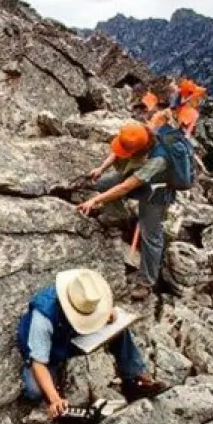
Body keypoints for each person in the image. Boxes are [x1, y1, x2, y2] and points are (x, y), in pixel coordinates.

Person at [16, 269, 169, 417]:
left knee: (118, 330)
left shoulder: (86, 293)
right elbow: (39, 364)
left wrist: (106, 316)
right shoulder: (43, 319)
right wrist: (55, 399)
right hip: (50, 348)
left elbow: (110, 313)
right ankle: (56, 383)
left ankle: (135, 377)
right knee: (34, 391)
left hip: (71, 335)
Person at [80, 121, 176, 300]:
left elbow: (125, 187)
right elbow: (117, 152)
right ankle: (122, 218)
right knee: (103, 184)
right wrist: (101, 168)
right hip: (136, 175)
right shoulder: (137, 133)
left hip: (156, 191)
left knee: (151, 235)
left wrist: (94, 201)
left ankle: (146, 282)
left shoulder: (159, 159)